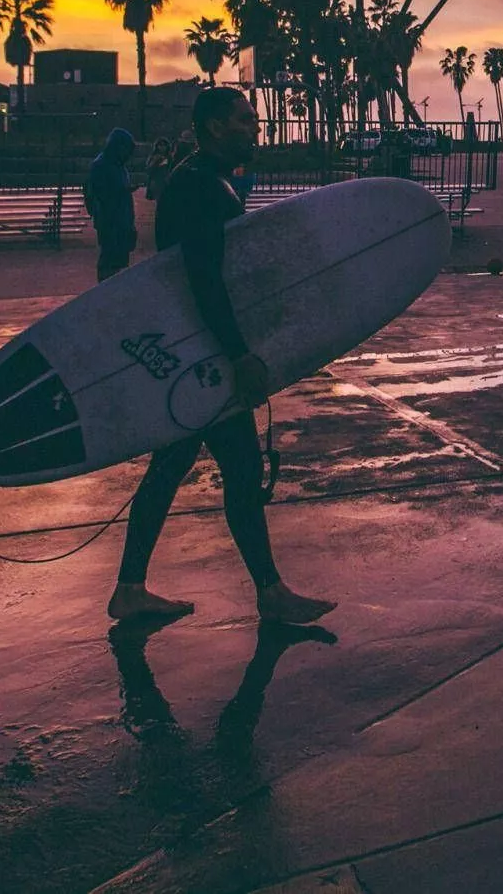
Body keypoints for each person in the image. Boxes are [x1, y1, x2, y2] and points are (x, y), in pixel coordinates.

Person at [107, 87, 335, 627]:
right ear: (213, 126)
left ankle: (130, 588)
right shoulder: (201, 188)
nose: (255, 129)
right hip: (204, 353)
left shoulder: (200, 180)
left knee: (177, 465)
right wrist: (238, 354)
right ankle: (270, 594)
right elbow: (206, 281)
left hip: (192, 351)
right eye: (245, 120)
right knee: (238, 466)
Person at [87, 128, 138, 281]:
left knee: (120, 260)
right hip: (109, 220)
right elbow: (100, 194)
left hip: (122, 219)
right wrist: (122, 190)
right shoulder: (101, 165)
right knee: (109, 260)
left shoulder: (118, 165)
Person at [144, 137, 172, 201]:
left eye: (164, 145)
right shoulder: (153, 157)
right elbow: (148, 170)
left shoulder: (169, 157)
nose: (162, 147)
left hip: (166, 182)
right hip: (156, 182)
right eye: (160, 145)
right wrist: (154, 162)